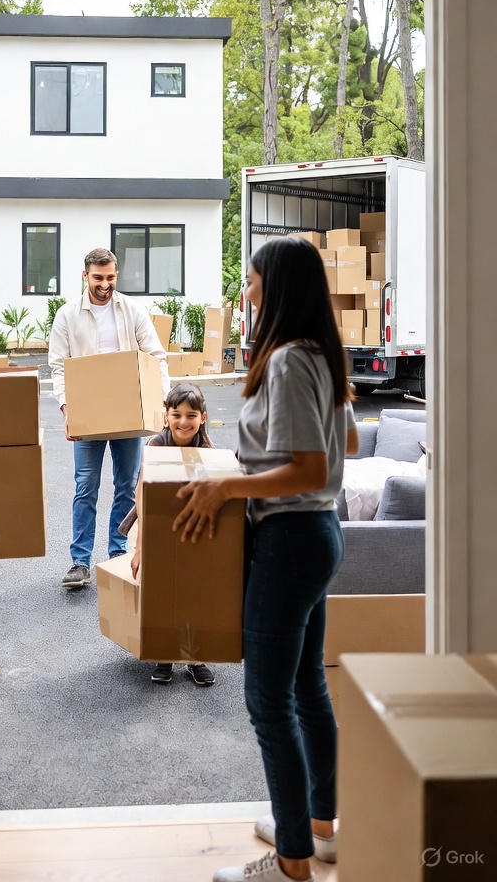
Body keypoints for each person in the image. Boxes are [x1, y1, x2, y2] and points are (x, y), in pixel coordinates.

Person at [170, 237, 358, 882]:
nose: (245, 294)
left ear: (275, 288)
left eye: (250, 283)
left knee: (268, 702)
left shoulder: (287, 361)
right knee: (307, 687)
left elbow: (305, 466)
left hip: (290, 540)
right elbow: (345, 442)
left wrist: (228, 484)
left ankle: (291, 865)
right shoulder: (322, 356)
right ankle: (320, 829)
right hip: (318, 534)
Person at [48, 247, 169, 589]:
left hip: (128, 409)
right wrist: (67, 409)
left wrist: (160, 401)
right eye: (98, 278)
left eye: (111, 277)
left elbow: (156, 357)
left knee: (126, 486)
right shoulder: (68, 315)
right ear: (85, 276)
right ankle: (80, 562)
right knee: (85, 486)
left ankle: (118, 553)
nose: (105, 284)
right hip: (88, 411)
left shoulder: (132, 309)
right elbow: (58, 365)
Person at [128, 382, 217, 688]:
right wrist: (140, 546)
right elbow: (142, 494)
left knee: (194, 592)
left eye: (191, 415)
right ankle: (165, 653)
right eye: (176, 414)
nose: (183, 422)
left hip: (193, 531)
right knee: (163, 592)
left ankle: (194, 656)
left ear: (202, 418)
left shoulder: (207, 452)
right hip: (154, 527)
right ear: (165, 416)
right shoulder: (155, 446)